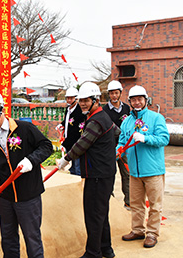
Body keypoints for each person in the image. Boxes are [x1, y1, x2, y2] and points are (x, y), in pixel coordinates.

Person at [0, 90, 53, 258]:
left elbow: (46, 146)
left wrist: (31, 160)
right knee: (8, 240)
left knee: (32, 239)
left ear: (1, 109)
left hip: (28, 195)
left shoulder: (23, 128)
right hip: (6, 197)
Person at [58, 82, 119, 258]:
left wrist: (66, 159)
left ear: (96, 100)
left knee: (93, 214)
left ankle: (93, 252)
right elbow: (116, 132)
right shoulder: (102, 116)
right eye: (81, 100)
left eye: (87, 100)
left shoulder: (96, 120)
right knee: (101, 213)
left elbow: (82, 144)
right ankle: (106, 249)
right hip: (104, 172)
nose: (83, 103)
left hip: (97, 174)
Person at [117, 85, 169, 249]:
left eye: (140, 99)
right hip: (133, 170)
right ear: (130, 102)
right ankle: (138, 230)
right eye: (133, 99)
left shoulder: (156, 118)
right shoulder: (127, 121)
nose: (137, 102)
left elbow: (164, 139)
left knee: (155, 205)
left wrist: (146, 138)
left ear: (146, 100)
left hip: (153, 170)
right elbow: (122, 140)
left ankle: (152, 233)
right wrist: (118, 148)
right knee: (136, 203)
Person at [103, 80, 131, 209]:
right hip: (109, 148)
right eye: (111, 93)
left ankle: (128, 201)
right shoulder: (104, 110)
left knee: (126, 174)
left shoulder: (126, 108)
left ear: (120, 93)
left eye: (116, 93)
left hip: (124, 147)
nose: (114, 96)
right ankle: (111, 201)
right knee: (110, 174)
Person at [57, 87, 85, 176]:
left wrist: (66, 143)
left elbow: (77, 131)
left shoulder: (79, 111)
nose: (69, 100)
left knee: (77, 167)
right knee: (71, 167)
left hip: (75, 143)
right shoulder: (68, 109)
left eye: (71, 98)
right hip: (68, 141)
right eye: (67, 98)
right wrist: (62, 125)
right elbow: (67, 121)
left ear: (76, 98)